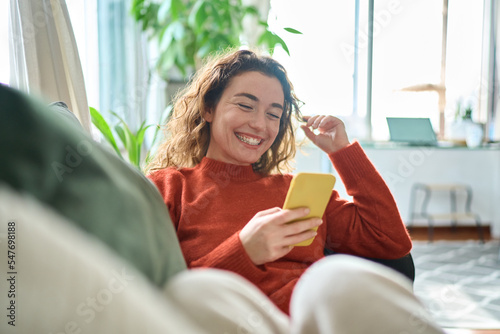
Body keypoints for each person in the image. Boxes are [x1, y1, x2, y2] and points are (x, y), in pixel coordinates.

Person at [147, 49, 443, 333]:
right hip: (233, 324)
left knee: (333, 277)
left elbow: (391, 242)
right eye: (245, 105)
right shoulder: (169, 187)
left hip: (311, 324)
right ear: (208, 109)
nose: (259, 124)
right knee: (191, 291)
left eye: (273, 114)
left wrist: (342, 152)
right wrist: (243, 252)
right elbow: (162, 295)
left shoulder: (296, 191)